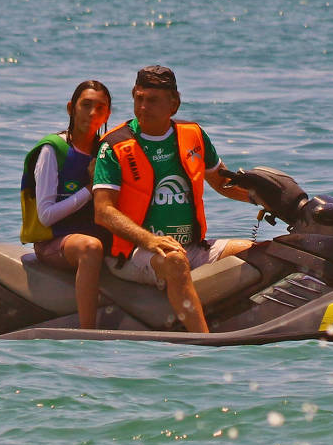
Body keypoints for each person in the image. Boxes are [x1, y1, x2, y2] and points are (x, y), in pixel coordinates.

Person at [92, 66, 254, 333]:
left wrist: (264, 198)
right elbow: (103, 211)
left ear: (174, 103)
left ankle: (246, 320)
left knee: (254, 251)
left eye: (152, 100)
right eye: (139, 98)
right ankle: (205, 342)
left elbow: (222, 183)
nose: (143, 107)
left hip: (191, 247)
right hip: (133, 253)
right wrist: (150, 240)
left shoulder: (193, 134)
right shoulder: (115, 145)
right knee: (175, 261)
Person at [20, 80, 112, 329]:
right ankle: (88, 332)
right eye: (86, 105)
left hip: (95, 232)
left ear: (108, 114)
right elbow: (46, 215)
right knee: (90, 247)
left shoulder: (106, 151)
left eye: (100, 108)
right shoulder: (54, 150)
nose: (92, 113)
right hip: (54, 240)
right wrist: (90, 190)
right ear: (71, 108)